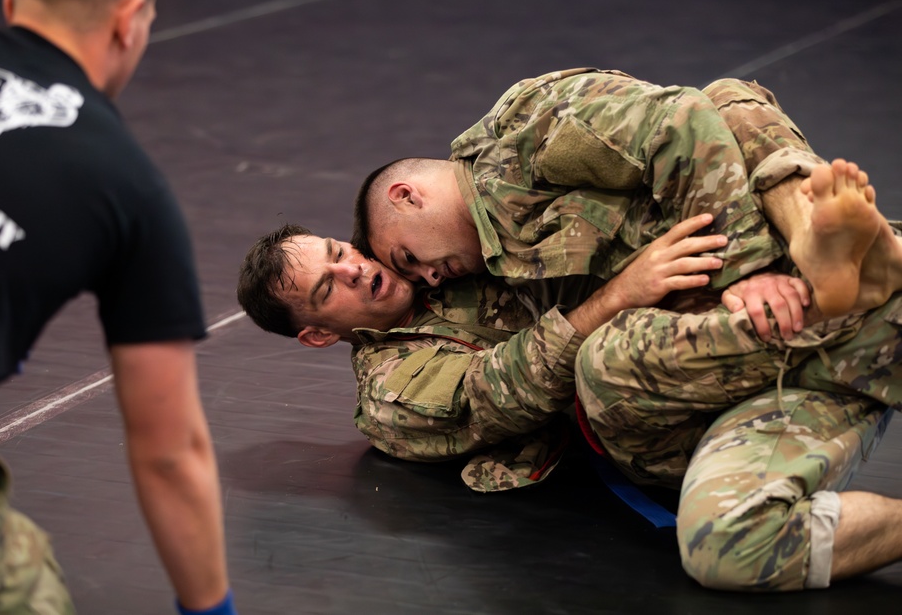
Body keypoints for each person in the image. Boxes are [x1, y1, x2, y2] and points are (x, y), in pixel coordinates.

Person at [236, 221, 902, 590]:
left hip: (757, 310)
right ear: (319, 333)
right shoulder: (391, 388)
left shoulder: (424, 233)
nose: (354, 267)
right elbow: (504, 387)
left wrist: (747, 262)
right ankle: (862, 309)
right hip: (715, 411)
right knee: (723, 547)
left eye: (339, 251)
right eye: (329, 286)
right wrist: (618, 293)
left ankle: (860, 299)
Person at [0, 0, 234, 614]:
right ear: (129, 20)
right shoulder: (130, 185)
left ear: (9, 2)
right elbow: (170, 450)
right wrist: (211, 609)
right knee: (34, 591)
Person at [352, 69, 902, 320]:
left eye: (408, 258)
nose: (425, 277)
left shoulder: (523, 138)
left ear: (406, 196)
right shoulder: (490, 264)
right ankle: (846, 251)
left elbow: (679, 119)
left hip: (745, 255)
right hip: (712, 294)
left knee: (726, 100)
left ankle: (810, 234)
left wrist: (747, 270)